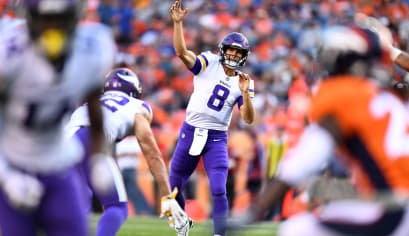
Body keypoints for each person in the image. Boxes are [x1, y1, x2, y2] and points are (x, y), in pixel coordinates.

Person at [228, 24, 409, 236]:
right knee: (337, 210)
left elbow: (305, 160)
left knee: (296, 230)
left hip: (396, 209)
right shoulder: (397, 96)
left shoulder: (342, 94)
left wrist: (256, 209)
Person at [0, 0, 117, 235]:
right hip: (14, 160)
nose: (52, 28)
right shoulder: (8, 52)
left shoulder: (92, 49)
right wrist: (6, 174)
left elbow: (94, 109)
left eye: (60, 19)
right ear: (30, 19)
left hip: (58, 164)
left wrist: (99, 159)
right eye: (44, 19)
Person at [66, 68, 188, 235]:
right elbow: (151, 151)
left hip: (62, 146)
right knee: (116, 206)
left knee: (77, 206)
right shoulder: (137, 106)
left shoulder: (90, 103)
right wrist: (167, 195)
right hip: (90, 141)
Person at [168, 0, 256, 235]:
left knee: (218, 188)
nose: (234, 55)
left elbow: (248, 119)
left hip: (216, 137)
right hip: (190, 129)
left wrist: (246, 94)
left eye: (239, 52)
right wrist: (178, 25)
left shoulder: (244, 81)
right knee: (175, 184)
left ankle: (219, 233)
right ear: (223, 50)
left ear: (244, 56)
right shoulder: (209, 62)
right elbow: (182, 54)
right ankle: (181, 224)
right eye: (231, 50)